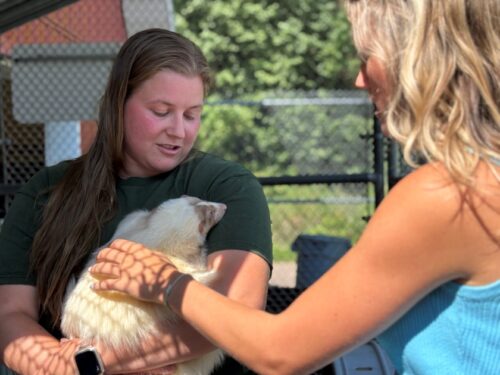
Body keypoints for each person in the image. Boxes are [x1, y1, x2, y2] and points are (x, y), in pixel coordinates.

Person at [89, 1, 500, 374]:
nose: (359, 78)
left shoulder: (448, 195)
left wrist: (165, 282)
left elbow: (280, 352)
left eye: (368, 56)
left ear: (418, 59)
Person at [0, 28, 272, 374]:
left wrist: (91, 363)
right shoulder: (46, 190)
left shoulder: (226, 186)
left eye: (192, 114)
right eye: (161, 111)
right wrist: (55, 368)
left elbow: (238, 306)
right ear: (118, 104)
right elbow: (10, 313)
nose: (179, 130)